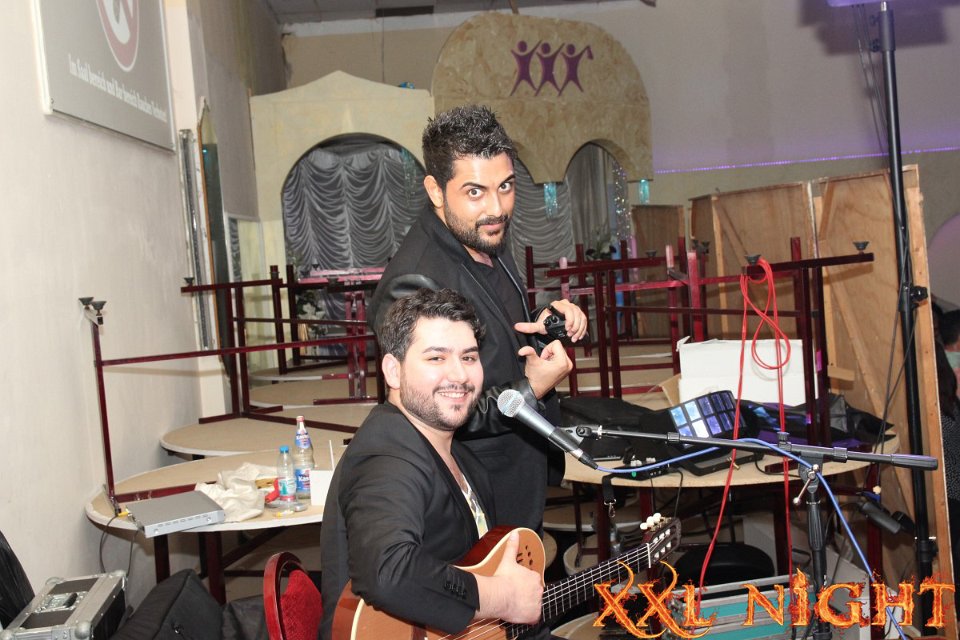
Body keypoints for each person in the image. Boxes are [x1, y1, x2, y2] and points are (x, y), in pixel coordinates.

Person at [367, 104, 587, 534]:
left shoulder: (483, 235)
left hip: (518, 469)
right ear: (435, 191)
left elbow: (497, 327)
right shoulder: (414, 281)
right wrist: (532, 388)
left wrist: (544, 322)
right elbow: (435, 408)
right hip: (475, 491)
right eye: (475, 192)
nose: (496, 207)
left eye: (505, 186)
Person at [319, 289, 544, 640]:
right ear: (393, 371)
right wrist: (502, 597)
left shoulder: (457, 452)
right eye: (436, 358)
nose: (459, 375)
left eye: (469, 357)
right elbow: (389, 572)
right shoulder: (387, 455)